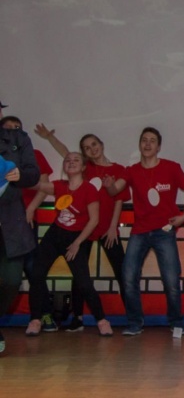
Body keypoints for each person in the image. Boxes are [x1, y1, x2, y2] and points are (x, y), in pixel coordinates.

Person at [33, 125, 129, 332]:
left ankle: (133, 317)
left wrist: (113, 227)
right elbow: (66, 153)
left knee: (122, 272)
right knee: (80, 276)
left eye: (94, 144)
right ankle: (77, 318)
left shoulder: (119, 169)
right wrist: (49, 137)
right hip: (83, 230)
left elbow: (118, 198)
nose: (92, 149)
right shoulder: (84, 168)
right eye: (86, 148)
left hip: (107, 229)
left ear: (101, 144)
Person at [105, 127, 184, 336]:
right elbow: (114, 190)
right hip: (139, 231)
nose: (147, 144)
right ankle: (135, 323)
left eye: (152, 141)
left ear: (158, 146)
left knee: (171, 279)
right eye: (144, 140)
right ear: (139, 144)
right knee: (128, 276)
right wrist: (109, 185)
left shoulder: (171, 167)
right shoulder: (131, 171)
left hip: (165, 230)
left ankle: (177, 322)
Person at [23, 152, 114, 337]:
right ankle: (35, 320)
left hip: (76, 238)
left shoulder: (89, 189)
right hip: (55, 234)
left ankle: (102, 320)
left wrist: (77, 243)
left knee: (84, 283)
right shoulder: (59, 185)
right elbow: (37, 185)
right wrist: (16, 175)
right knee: (37, 274)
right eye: (67, 160)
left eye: (76, 160)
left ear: (83, 167)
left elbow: (94, 220)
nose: (71, 162)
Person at [2, 116, 55, 331]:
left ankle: (42, 314)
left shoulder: (29, 150)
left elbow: (41, 181)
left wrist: (30, 208)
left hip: (22, 221)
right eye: (8, 127)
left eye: (16, 127)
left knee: (28, 272)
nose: (13, 130)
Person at [0, 118, 40, 354]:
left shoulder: (19, 138)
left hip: (11, 225)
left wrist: (20, 175)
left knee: (12, 281)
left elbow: (33, 174)